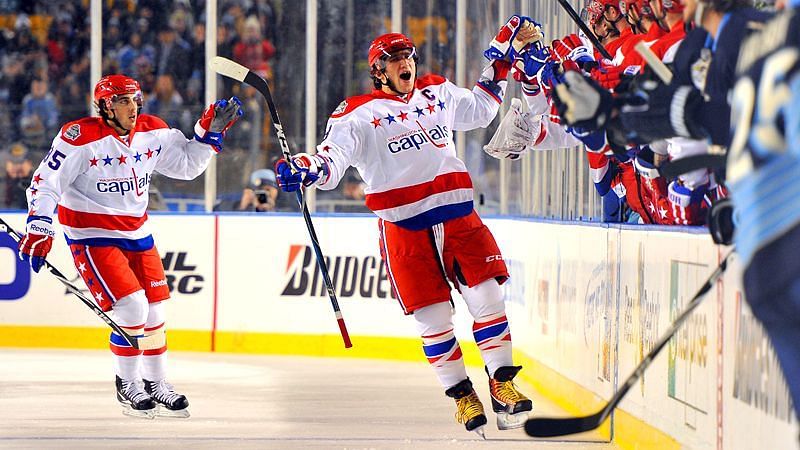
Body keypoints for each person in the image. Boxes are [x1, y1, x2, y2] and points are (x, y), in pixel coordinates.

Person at [274, 21, 538, 437]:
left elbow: (482, 108)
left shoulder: (438, 91)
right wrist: (307, 168)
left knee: (488, 297)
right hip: (404, 227)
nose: (405, 63)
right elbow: (332, 158)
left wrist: (500, 60)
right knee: (433, 318)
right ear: (378, 70)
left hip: (458, 216)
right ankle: (463, 396)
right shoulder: (356, 113)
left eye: (408, 56)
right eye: (394, 59)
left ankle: (502, 383)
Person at [16, 74, 242, 418]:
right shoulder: (79, 138)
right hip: (91, 234)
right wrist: (40, 224)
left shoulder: (153, 131)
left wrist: (206, 136)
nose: (133, 107)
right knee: (132, 308)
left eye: (136, 99)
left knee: (155, 313)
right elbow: (46, 182)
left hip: (137, 233)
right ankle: (128, 384)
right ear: (105, 106)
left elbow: (185, 167)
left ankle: (157, 384)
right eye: (123, 101)